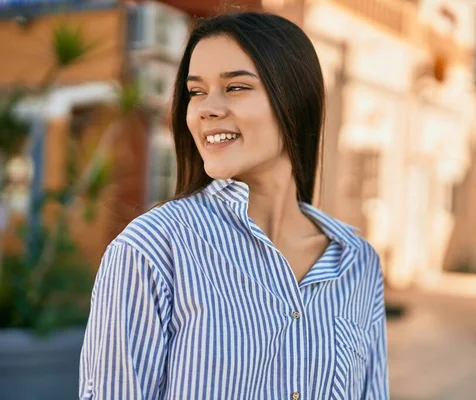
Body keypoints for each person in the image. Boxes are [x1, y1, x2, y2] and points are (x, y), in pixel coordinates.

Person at [79, 11, 388, 400]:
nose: (206, 108)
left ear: (295, 99)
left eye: (236, 87)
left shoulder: (358, 262)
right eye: (196, 92)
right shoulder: (151, 252)